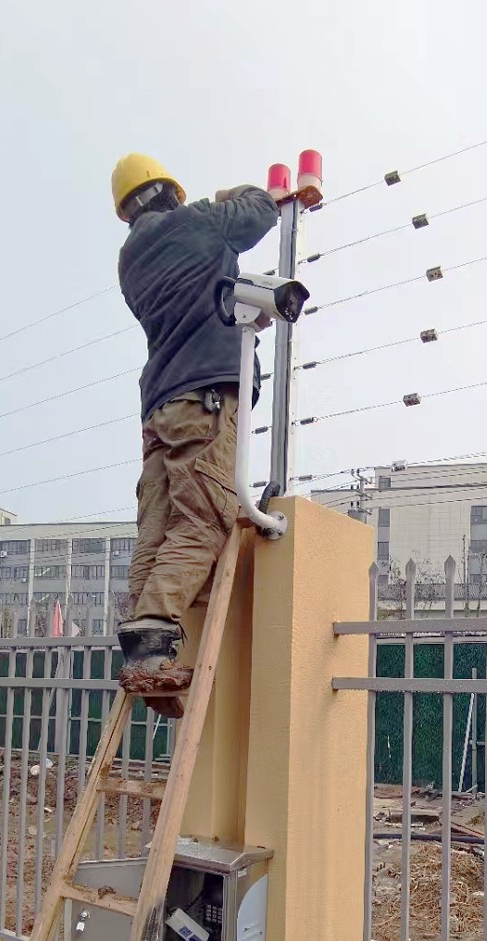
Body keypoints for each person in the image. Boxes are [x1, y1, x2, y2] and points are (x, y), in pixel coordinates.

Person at [110, 153, 278, 700]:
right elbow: (261, 211)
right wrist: (231, 192)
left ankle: (142, 654)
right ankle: (155, 638)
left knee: (156, 529)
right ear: (168, 193)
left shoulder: (129, 260)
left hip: (158, 405)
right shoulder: (198, 221)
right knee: (206, 519)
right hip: (202, 397)